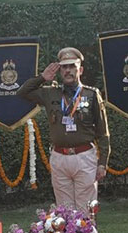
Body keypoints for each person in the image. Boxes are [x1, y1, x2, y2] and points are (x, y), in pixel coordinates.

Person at [19, 46, 112, 212]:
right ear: (60, 70)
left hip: (84, 157)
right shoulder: (50, 93)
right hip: (59, 157)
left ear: (80, 70)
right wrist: (42, 77)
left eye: (72, 67)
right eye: (64, 67)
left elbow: (102, 131)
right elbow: (22, 93)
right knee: (64, 210)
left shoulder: (91, 95)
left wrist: (103, 163)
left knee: (86, 208)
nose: (68, 71)